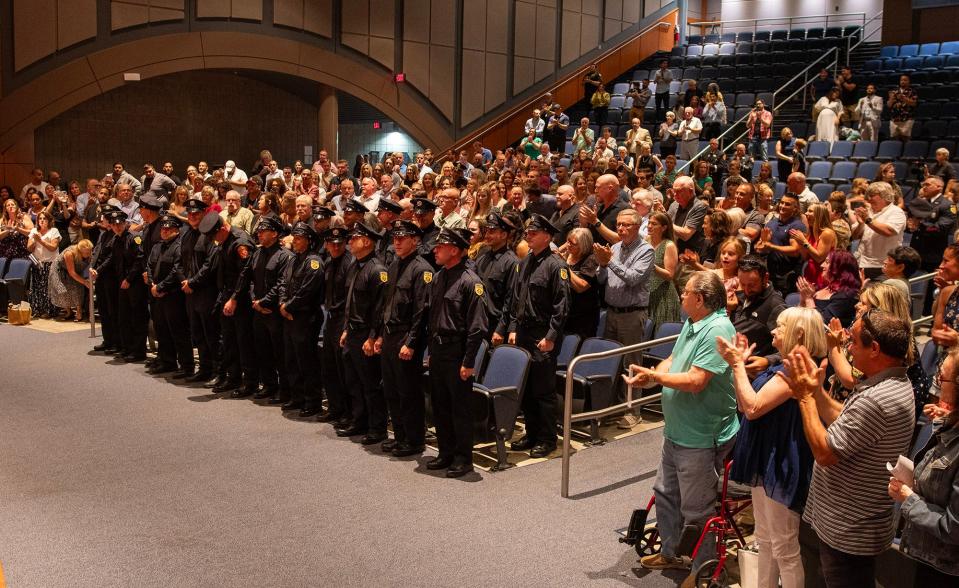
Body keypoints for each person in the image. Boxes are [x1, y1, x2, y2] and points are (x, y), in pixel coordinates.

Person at [782, 310, 915, 587]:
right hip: (848, 521)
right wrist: (817, 392)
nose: (847, 347)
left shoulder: (877, 399)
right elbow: (847, 421)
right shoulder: (894, 382)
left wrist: (805, 398)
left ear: (875, 348)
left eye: (853, 341)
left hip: (849, 529)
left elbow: (825, 452)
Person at [625, 271, 738, 579]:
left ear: (699, 299)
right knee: (665, 493)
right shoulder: (693, 322)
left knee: (697, 509)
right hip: (677, 431)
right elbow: (674, 361)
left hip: (701, 436)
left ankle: (702, 570)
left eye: (685, 292)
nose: (681, 297)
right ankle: (671, 554)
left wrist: (655, 378)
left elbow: (697, 381)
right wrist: (650, 376)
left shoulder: (718, 329)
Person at [718, 307, 826, 588]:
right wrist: (737, 368)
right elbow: (744, 403)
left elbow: (753, 408)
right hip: (766, 454)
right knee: (764, 538)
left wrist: (737, 366)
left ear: (799, 334)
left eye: (780, 326)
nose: (774, 331)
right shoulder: (781, 364)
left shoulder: (799, 369)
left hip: (782, 459)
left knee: (784, 546)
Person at [502, 214, 570, 457]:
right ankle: (531, 434)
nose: (528, 236)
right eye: (528, 232)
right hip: (523, 332)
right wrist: (511, 328)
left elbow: (561, 307)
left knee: (543, 390)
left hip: (543, 334)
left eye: (534, 233)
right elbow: (516, 300)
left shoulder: (557, 265)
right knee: (527, 388)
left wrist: (551, 336)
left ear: (548, 236)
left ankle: (547, 438)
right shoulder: (526, 261)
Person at [426, 227, 488, 477]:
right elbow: (434, 318)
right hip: (439, 351)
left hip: (458, 351)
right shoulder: (440, 276)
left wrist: (469, 360)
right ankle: (446, 452)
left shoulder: (470, 282)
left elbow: (477, 327)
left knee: (459, 408)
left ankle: (464, 458)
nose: (435, 250)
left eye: (440, 247)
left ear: (454, 250)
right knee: (439, 405)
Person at [374, 219, 432, 456]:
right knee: (391, 390)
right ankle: (399, 436)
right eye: (395, 238)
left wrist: (411, 342)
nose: (396, 242)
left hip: (407, 336)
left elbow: (422, 311)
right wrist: (379, 335)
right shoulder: (395, 264)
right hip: (390, 334)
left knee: (409, 391)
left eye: (402, 238)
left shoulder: (423, 269)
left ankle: (414, 439)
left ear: (415, 240)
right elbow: (386, 304)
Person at [889, 397, 959, 583]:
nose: (938, 383)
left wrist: (909, 498)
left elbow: (954, 527)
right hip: (933, 558)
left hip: (947, 568)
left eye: (942, 379)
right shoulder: (949, 426)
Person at [335, 222, 388, 444]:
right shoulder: (355, 265)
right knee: (354, 381)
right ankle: (359, 420)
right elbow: (351, 303)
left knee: (370, 384)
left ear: (366, 241)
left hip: (367, 333)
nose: (349, 242)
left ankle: (377, 428)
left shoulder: (378, 270)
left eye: (354, 238)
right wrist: (346, 328)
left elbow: (380, 309)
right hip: (353, 332)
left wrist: (373, 336)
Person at [234, 215, 293, 403]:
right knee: (262, 350)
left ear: (275, 233)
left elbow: (281, 284)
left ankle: (285, 391)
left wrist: (265, 302)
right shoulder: (258, 253)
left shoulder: (284, 255)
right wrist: (255, 301)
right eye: (258, 231)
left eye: (263, 231)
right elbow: (249, 280)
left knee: (280, 354)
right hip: (258, 310)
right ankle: (269, 385)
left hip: (274, 312)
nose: (258, 234)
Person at [278, 222, 325, 418]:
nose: (295, 241)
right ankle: (297, 396)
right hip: (290, 316)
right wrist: (282, 303)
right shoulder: (293, 259)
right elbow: (282, 282)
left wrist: (288, 307)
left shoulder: (314, 262)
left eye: (299, 238)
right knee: (292, 359)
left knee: (306, 360)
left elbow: (306, 292)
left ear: (309, 240)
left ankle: (312, 400)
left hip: (306, 317)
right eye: (294, 238)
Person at [146, 214, 194, 378]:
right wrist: (153, 284)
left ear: (176, 230)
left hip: (173, 295)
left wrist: (161, 287)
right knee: (161, 330)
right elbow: (150, 266)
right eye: (163, 229)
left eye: (168, 229)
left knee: (178, 331)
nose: (164, 231)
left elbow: (177, 271)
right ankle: (167, 361)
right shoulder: (157, 247)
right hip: (157, 294)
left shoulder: (179, 246)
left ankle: (187, 365)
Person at [318, 226, 353, 426]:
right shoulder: (328, 262)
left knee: (343, 371)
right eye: (332, 243)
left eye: (339, 243)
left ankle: (348, 413)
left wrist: (346, 327)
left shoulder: (350, 263)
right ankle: (334, 408)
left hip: (342, 319)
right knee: (329, 368)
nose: (336, 246)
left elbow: (350, 299)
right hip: (330, 318)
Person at [108, 209, 148, 362]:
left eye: (120, 224)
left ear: (125, 224)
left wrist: (129, 279)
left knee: (137, 318)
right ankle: (127, 348)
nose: (117, 227)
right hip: (122, 283)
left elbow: (139, 261)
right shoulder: (115, 240)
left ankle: (138, 351)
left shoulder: (134, 238)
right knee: (124, 317)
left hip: (135, 284)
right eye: (114, 225)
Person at [852, 181, 907, 280]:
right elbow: (855, 236)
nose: (868, 198)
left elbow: (888, 231)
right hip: (861, 263)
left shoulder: (896, 212)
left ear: (884, 196)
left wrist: (868, 220)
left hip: (882, 267)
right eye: (867, 195)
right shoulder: (868, 211)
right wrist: (860, 224)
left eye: (872, 195)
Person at [756, 192, 805, 295]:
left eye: (787, 204)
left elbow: (795, 251)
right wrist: (765, 243)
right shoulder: (771, 223)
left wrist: (770, 245)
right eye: (781, 202)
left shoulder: (797, 225)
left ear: (795, 208)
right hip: (768, 272)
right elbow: (759, 248)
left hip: (786, 275)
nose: (782, 206)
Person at [797, 250, 861, 328]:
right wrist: (803, 298)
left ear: (838, 267)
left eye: (827, 262)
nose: (822, 265)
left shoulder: (845, 296)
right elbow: (800, 314)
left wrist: (809, 299)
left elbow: (823, 324)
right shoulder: (822, 287)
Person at [562, 227, 600, 340]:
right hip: (566, 312)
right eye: (567, 241)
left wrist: (564, 266)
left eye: (572, 243)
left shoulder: (591, 259)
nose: (568, 245)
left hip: (583, 317)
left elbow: (582, 286)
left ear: (583, 245)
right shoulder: (566, 256)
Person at [645, 212, 680, 334]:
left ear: (664, 227)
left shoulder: (669, 245)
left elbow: (670, 275)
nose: (649, 226)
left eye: (654, 224)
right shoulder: (646, 241)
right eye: (649, 222)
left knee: (658, 333)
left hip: (663, 296)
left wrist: (652, 266)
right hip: (648, 293)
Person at [791, 203, 838, 288]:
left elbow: (819, 258)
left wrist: (804, 241)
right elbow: (806, 257)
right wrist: (799, 242)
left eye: (810, 211)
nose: (806, 213)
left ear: (819, 214)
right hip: (810, 273)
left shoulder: (827, 233)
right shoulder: (811, 232)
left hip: (822, 275)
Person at [27, 211, 61, 318]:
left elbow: (53, 248)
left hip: (50, 263)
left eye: (44, 219)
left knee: (48, 287)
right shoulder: (34, 231)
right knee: (37, 287)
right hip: (37, 263)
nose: (42, 221)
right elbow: (29, 248)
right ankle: (37, 309)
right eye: (40, 219)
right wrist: (34, 241)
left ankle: (49, 310)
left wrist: (40, 240)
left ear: (49, 221)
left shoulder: (54, 231)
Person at [48, 238, 93, 321]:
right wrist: (85, 282)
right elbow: (72, 272)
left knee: (78, 288)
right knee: (62, 290)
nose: (89, 254)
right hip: (60, 270)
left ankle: (79, 311)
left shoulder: (89, 253)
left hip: (76, 269)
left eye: (90, 251)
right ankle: (69, 311)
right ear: (80, 251)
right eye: (86, 253)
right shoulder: (70, 253)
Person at [888, 74, 918, 141]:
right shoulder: (893, 91)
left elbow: (914, 103)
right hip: (894, 118)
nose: (903, 81)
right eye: (901, 80)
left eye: (905, 80)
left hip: (907, 118)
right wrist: (891, 99)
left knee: (906, 139)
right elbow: (889, 105)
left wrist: (904, 98)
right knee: (894, 139)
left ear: (909, 81)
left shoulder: (912, 91)